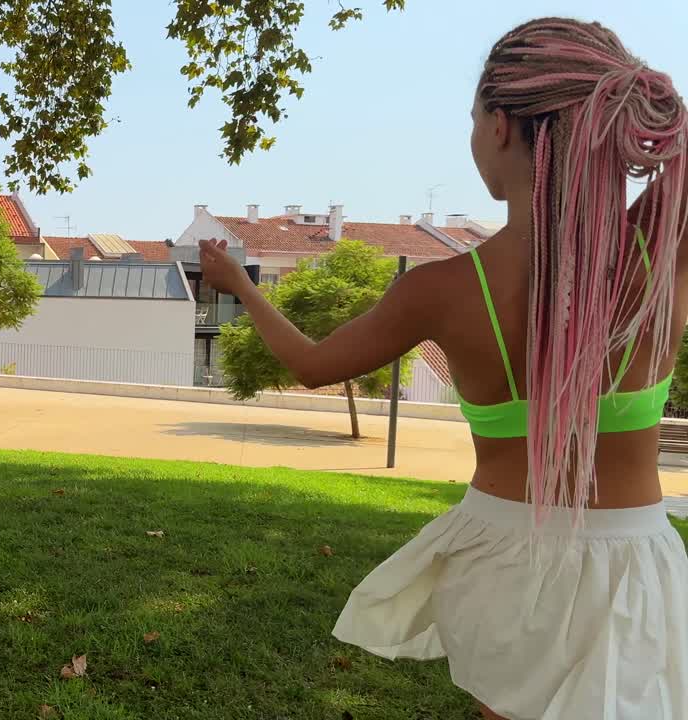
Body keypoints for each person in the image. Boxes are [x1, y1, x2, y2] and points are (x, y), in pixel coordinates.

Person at [198, 17, 687, 720]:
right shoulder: (661, 251)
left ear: (497, 126)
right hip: (636, 560)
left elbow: (309, 365)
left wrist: (241, 284)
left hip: (506, 557)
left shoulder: (441, 290)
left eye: (471, 116)